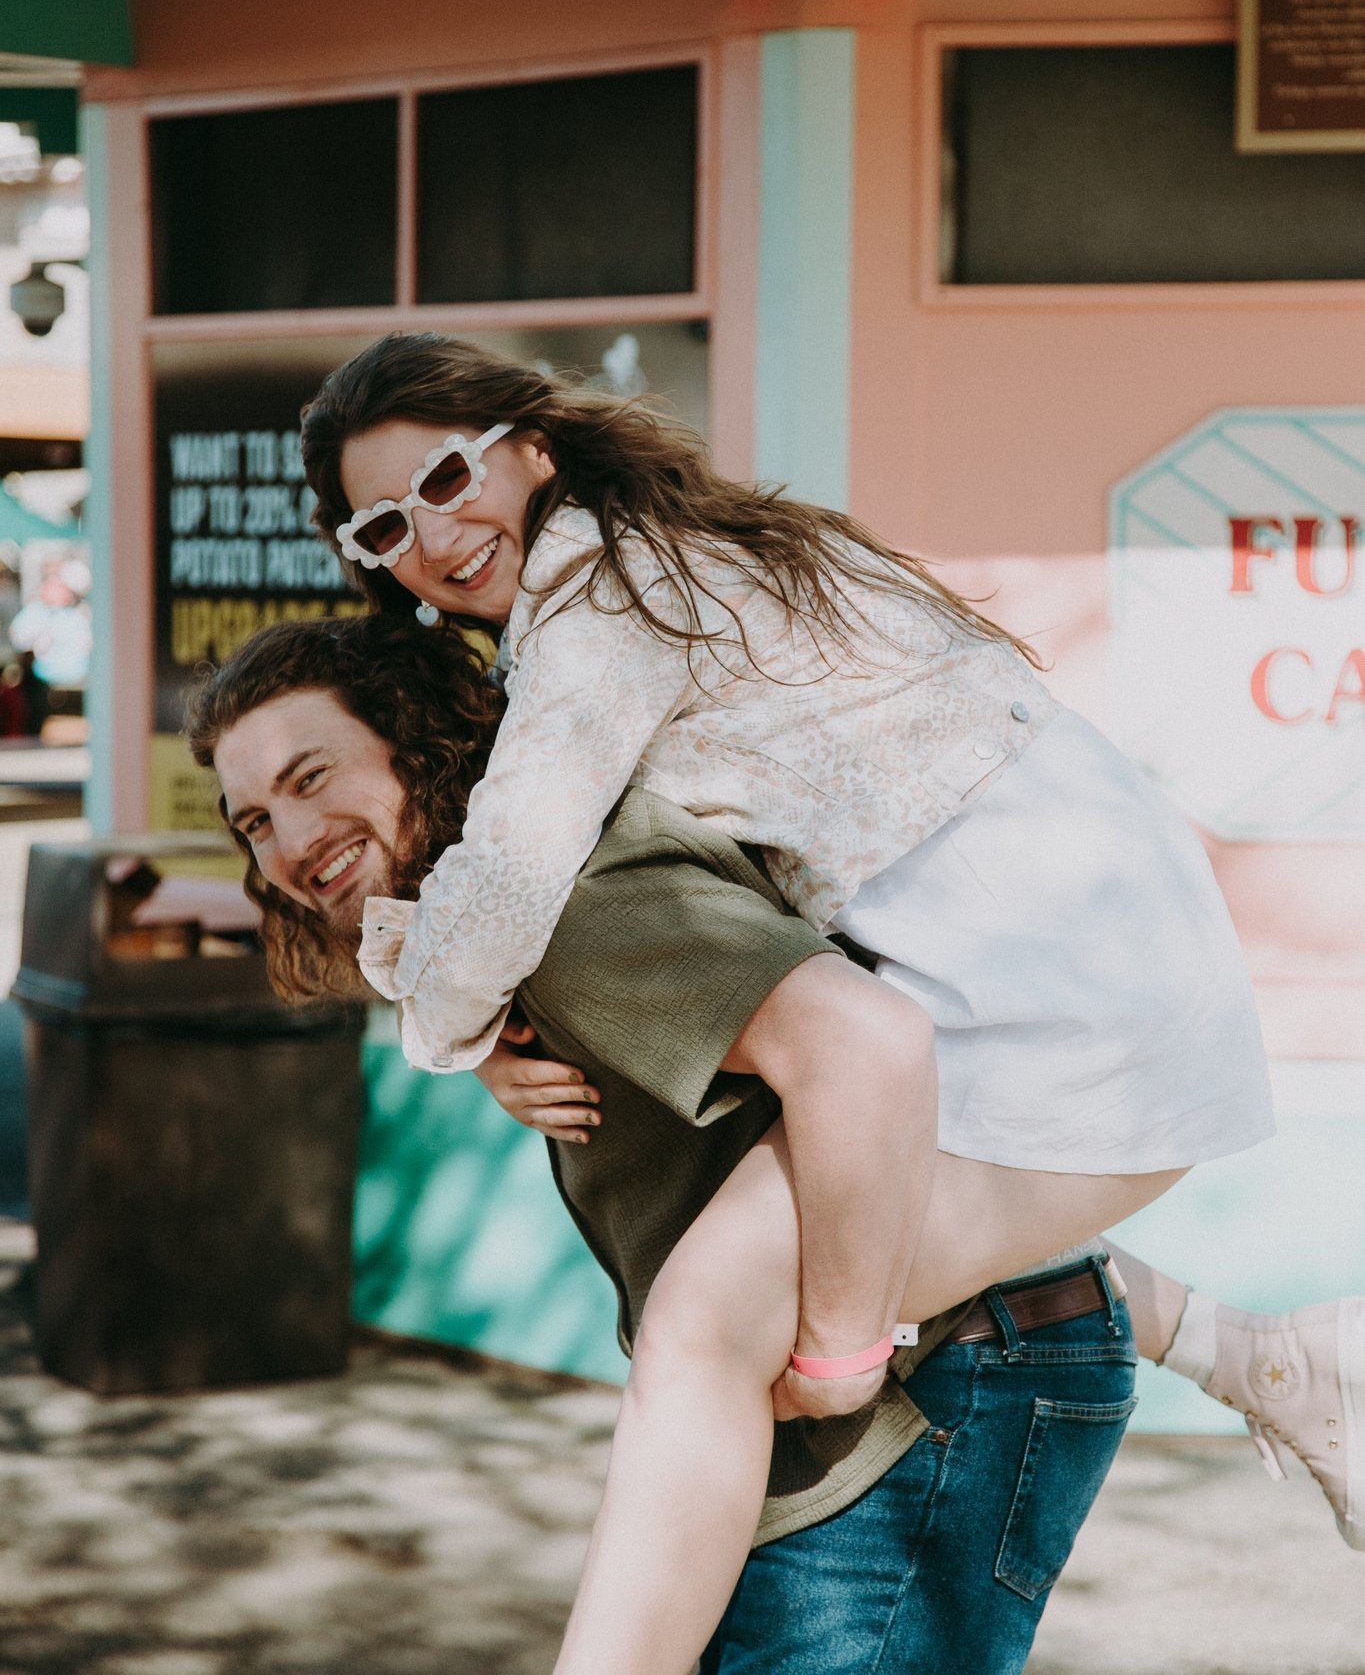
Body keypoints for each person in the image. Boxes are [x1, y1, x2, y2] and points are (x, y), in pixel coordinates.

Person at [296, 338, 1362, 1643]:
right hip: (1098, 963)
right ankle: (1267, 1357)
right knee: (837, 1200)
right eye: (385, 523)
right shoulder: (688, 548)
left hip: (1063, 993)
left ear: (530, 448)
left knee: (705, 1328)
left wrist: (440, 1028)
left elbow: (510, 871)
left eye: (449, 477)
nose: (435, 534)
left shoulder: (601, 605)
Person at [186, 613, 1143, 1675]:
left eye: (312, 775)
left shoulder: (576, 904)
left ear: (412, 738)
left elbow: (860, 1045)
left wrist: (839, 1357)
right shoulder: (495, 926)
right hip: (880, 1392)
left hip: (921, 1390)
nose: (290, 837)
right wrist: (473, 1051)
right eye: (255, 822)